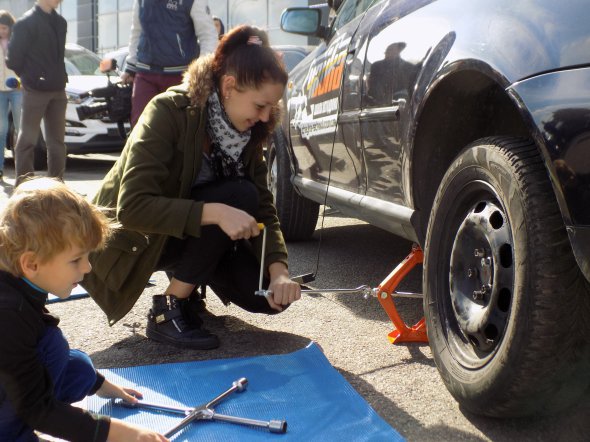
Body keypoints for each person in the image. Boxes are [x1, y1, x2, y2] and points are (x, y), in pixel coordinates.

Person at [82, 25, 301, 350]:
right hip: (129, 239)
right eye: (260, 106)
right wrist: (217, 212)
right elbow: (132, 207)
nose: (266, 116)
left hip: (181, 233)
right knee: (235, 196)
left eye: (272, 108)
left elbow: (264, 207)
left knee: (267, 294)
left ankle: (188, 287)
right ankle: (167, 308)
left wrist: (280, 270)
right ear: (229, 86)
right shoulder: (168, 111)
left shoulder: (248, 131)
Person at [0, 178, 168, 442]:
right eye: (76, 259)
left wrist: (98, 384)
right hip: (20, 403)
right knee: (52, 346)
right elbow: (36, 408)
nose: (88, 267)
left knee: (63, 354)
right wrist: (122, 433)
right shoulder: (8, 314)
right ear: (31, 263)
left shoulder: (20, 282)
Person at [122, 0, 218, 127]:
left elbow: (208, 35)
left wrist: (202, 71)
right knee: (140, 127)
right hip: (145, 73)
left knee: (179, 130)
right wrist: (130, 67)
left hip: (181, 76)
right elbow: (136, 32)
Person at [6, 0, 68, 186]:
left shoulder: (61, 22)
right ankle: (24, 188)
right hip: (35, 90)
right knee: (27, 140)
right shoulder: (25, 23)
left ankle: (57, 187)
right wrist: (30, 78)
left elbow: (58, 56)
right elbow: (13, 60)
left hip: (58, 89)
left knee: (57, 143)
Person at [0, 10, 21, 183]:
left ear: (10, 27)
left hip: (17, 90)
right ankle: (0, 169)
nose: (2, 31)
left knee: (21, 130)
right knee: (1, 130)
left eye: (4, 28)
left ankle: (21, 170)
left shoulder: (17, 42)